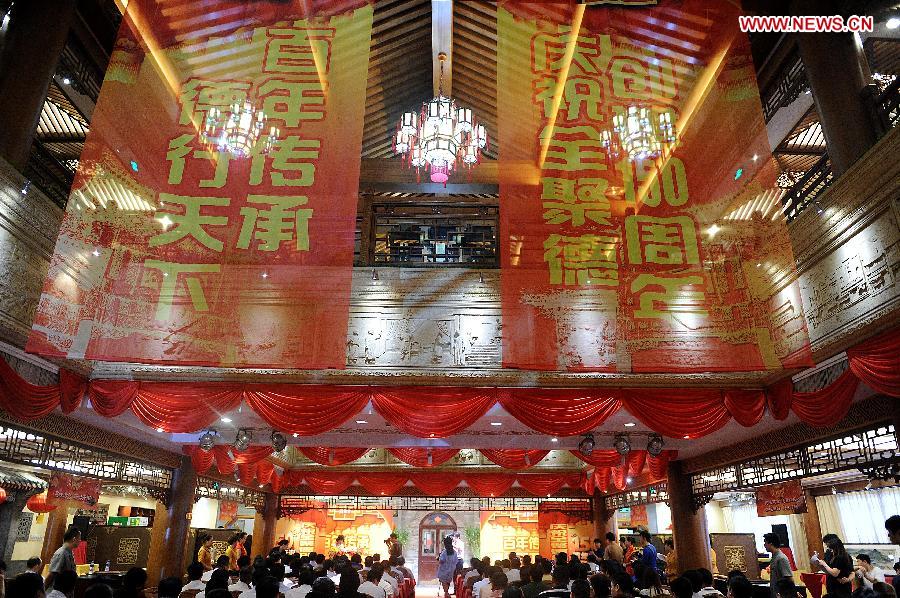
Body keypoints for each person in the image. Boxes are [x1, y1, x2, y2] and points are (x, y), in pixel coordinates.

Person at [764, 533, 793, 598]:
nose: (764, 545)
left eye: (765, 543)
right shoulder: (774, 557)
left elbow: (789, 579)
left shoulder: (781, 558)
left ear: (771, 544)